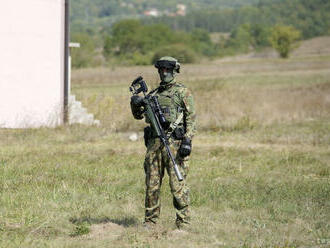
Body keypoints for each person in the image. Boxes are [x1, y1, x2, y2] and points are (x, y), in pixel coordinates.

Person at [130, 56, 196, 229]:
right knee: (152, 184)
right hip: (154, 146)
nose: (164, 73)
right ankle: (150, 221)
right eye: (162, 70)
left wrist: (187, 141)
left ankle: (184, 222)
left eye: (168, 69)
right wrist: (135, 104)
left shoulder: (183, 92)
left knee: (177, 185)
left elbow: (191, 120)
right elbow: (138, 116)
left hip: (175, 145)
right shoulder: (153, 95)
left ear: (175, 71)